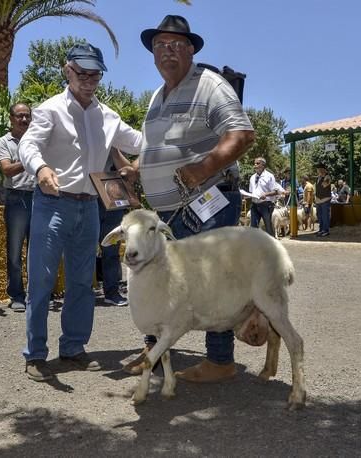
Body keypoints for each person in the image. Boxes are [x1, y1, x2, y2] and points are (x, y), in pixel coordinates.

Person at [122, 15, 255, 382]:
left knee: (209, 281)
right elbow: (158, 147)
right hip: (168, 210)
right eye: (160, 46)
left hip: (207, 202)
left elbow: (242, 135)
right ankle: (154, 352)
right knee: (158, 280)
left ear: (191, 49)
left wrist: (201, 168)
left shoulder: (209, 85)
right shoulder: (157, 96)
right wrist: (137, 168)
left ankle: (220, 360)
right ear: (152, 54)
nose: (167, 52)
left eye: (176, 45)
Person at [18, 43, 142, 382]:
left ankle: (73, 348)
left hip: (90, 207)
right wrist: (41, 168)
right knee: (42, 281)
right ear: (67, 70)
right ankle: (36, 355)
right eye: (82, 73)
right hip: (52, 203)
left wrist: (177, 140)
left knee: (81, 283)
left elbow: (142, 142)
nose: (89, 80)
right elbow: (26, 144)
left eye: (95, 74)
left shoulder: (109, 117)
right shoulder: (50, 110)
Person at [0, 102, 35, 312]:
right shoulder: (4, 142)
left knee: (38, 250)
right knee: (15, 250)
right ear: (11, 118)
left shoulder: (38, 139)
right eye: (19, 116)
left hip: (40, 197)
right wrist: (30, 160)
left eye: (27, 115)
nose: (24, 120)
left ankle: (36, 294)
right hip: (16, 198)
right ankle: (17, 294)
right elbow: (7, 170)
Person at [97, 150, 129, 307]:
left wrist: (114, 148)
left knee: (111, 247)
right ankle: (80, 293)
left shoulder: (113, 133)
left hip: (111, 193)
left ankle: (112, 292)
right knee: (83, 249)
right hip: (86, 195)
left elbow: (127, 169)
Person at [249, 157, 283, 236]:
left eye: (257, 163)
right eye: (254, 163)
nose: (255, 165)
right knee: (253, 227)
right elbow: (251, 192)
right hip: (254, 205)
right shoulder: (252, 177)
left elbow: (276, 191)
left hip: (266, 205)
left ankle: (271, 245)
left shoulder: (269, 176)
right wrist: (246, 195)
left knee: (268, 227)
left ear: (263, 165)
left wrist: (266, 194)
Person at [315, 164, 332, 236]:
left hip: (325, 199)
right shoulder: (318, 178)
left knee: (325, 216)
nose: (318, 170)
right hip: (318, 200)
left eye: (319, 169)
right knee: (319, 216)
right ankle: (321, 229)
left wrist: (322, 177)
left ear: (323, 170)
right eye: (318, 169)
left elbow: (324, 185)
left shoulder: (327, 177)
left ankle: (326, 230)